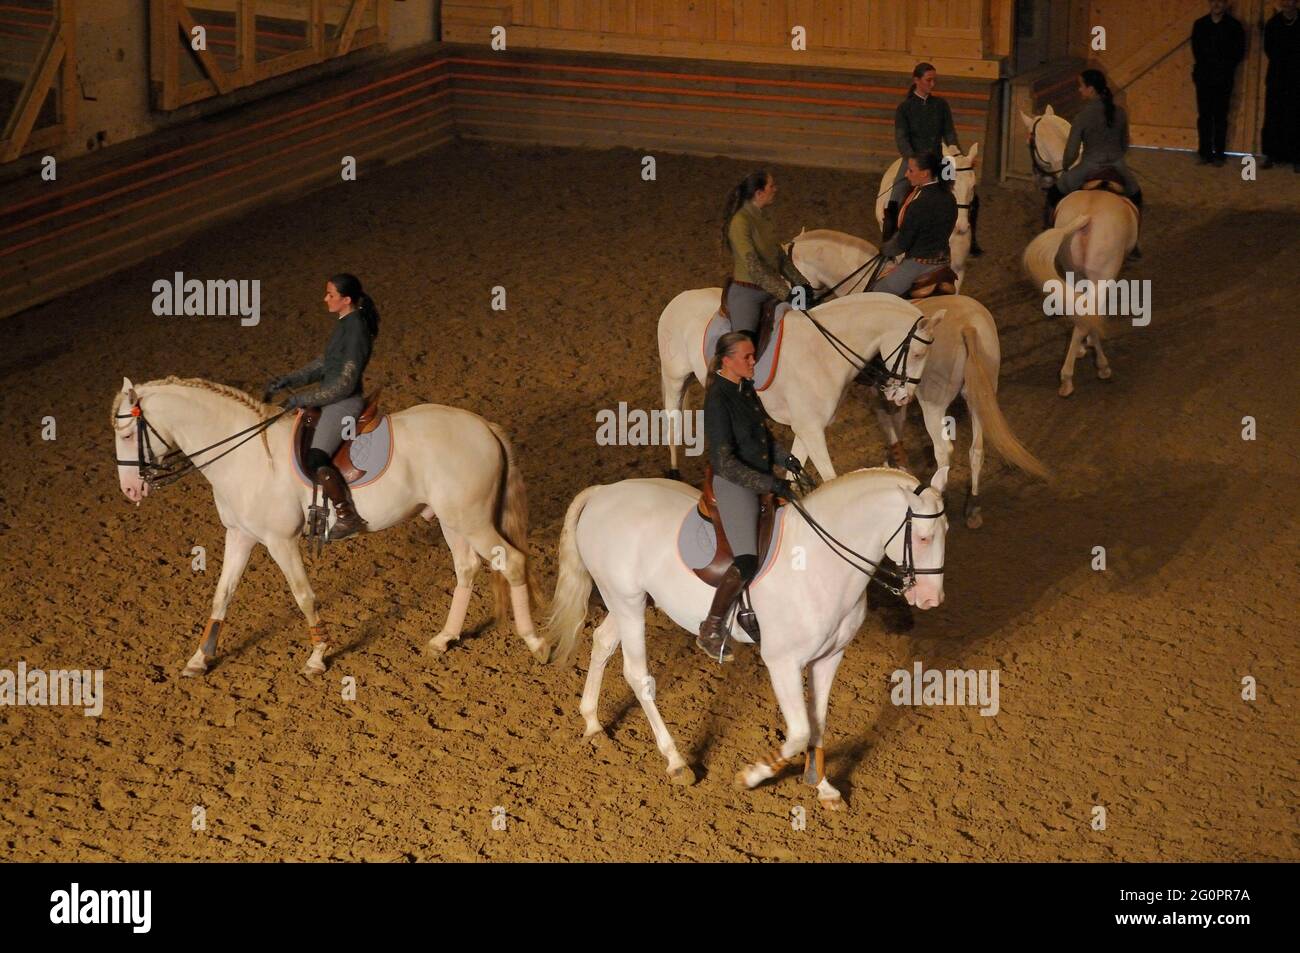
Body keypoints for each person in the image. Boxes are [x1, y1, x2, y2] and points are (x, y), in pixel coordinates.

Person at [697, 332, 801, 662]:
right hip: (735, 483)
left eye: (753, 355)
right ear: (727, 361)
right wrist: (768, 483)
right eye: (747, 357)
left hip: (761, 476)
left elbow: (762, 436)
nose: (754, 361)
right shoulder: (718, 400)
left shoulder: (746, 389)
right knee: (746, 560)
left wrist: (785, 458)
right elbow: (724, 462)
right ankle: (712, 627)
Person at [263, 273, 378, 541]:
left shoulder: (356, 329)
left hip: (343, 402)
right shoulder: (344, 323)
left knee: (316, 458)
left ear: (346, 300)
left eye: (331, 295)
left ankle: (347, 514)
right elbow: (325, 364)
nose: (325, 299)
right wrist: (290, 380)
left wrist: (303, 398)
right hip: (330, 397)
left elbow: (345, 383)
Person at [1044, 70, 1145, 258]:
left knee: (1053, 194)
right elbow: (1124, 144)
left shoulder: (1083, 116)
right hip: (1118, 165)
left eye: (1081, 86)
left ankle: (1049, 236)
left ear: (1090, 89)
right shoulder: (1120, 113)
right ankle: (1134, 243)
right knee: (1136, 195)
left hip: (1089, 166)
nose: (1079, 90)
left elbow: (1072, 151)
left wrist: (1065, 167)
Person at [886, 63, 981, 254]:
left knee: (969, 193)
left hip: (940, 159)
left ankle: (972, 240)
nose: (933, 84)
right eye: (929, 80)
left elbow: (950, 133)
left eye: (934, 80)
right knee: (896, 193)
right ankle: (888, 239)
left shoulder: (941, 105)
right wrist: (911, 159)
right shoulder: (904, 108)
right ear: (916, 80)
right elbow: (902, 138)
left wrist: (959, 156)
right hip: (915, 159)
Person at [722, 171, 812, 339]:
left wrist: (802, 283)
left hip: (772, 290)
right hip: (748, 294)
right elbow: (754, 268)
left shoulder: (764, 219)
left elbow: (780, 257)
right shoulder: (740, 222)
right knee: (745, 344)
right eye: (771, 186)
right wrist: (786, 294)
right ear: (759, 193)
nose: (775, 189)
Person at [869, 152, 957, 297]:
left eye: (911, 170)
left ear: (924, 173)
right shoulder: (950, 198)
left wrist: (885, 249)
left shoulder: (918, 204)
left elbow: (902, 243)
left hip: (919, 265)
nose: (906, 174)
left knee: (876, 293)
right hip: (944, 263)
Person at [1192, 0, 1246, 166]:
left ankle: (1219, 154)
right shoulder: (1200, 24)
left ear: (1225, 4)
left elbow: (1239, 52)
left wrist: (1224, 67)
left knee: (1221, 117)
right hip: (1204, 78)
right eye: (1214, 1)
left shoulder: (1234, 26)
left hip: (1224, 78)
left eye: (1220, 1)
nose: (1217, 4)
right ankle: (1204, 153)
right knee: (1204, 116)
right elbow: (1196, 49)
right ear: (1210, 3)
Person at [1262, 0, 1300, 171]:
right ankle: (1271, 154)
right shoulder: (1273, 23)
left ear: (1296, 2)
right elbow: (1269, 48)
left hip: (1297, 77)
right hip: (1277, 76)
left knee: (1296, 116)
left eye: (1290, 0)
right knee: (1273, 115)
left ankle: (1296, 157)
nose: (1286, 3)